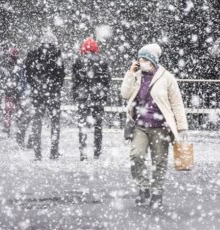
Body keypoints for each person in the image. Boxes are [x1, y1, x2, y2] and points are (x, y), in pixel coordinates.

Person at [121, 43, 188, 208]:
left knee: (159, 161)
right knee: (136, 156)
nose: (141, 62)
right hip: (140, 126)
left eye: (144, 59)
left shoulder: (167, 78)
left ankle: (156, 192)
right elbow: (125, 94)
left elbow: (177, 104)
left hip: (160, 127)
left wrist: (182, 127)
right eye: (140, 59)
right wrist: (130, 73)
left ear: (152, 61)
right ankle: (143, 188)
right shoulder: (136, 75)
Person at [24, 32, 65, 160]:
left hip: (37, 93)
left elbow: (27, 74)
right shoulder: (57, 55)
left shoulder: (33, 54)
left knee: (37, 122)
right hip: (53, 93)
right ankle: (53, 151)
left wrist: (35, 86)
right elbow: (61, 75)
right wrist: (55, 87)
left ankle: (37, 153)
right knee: (55, 123)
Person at [72, 37, 110, 161]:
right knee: (98, 125)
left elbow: (75, 80)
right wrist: (103, 94)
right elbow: (106, 80)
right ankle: (97, 152)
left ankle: (83, 153)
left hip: (83, 97)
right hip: (97, 96)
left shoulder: (78, 61)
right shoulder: (102, 61)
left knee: (82, 125)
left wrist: (76, 94)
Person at [0, 47, 22, 136]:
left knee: (9, 110)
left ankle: (9, 127)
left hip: (12, 89)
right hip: (12, 90)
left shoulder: (8, 64)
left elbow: (4, 77)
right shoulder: (17, 64)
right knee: (11, 110)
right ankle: (11, 127)